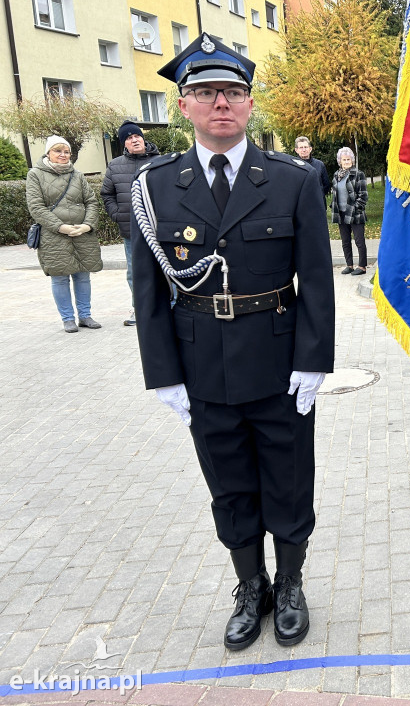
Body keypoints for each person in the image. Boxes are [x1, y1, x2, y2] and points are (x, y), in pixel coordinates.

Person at [131, 33, 336, 650]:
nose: (221, 102)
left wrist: (314, 361)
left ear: (249, 105)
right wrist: (162, 372)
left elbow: (318, 282)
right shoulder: (157, 185)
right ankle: (251, 586)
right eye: (205, 92)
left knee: (289, 479)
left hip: (278, 362)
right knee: (230, 485)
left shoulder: (292, 180)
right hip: (202, 366)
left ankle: (292, 584)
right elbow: (146, 289)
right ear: (185, 105)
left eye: (234, 92)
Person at [26, 136, 103, 333]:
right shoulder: (35, 174)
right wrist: (61, 227)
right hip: (54, 235)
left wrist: (87, 225)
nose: (63, 155)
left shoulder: (77, 175)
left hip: (81, 232)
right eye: (58, 151)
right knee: (60, 276)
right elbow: (36, 207)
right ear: (48, 153)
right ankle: (68, 318)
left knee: (83, 274)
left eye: (66, 151)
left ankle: (85, 316)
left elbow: (91, 202)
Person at [101, 121, 160, 326]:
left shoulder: (160, 161)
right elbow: (107, 194)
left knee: (165, 267)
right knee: (135, 272)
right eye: (128, 138)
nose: (134, 139)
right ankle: (139, 309)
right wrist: (117, 214)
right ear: (123, 144)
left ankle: (171, 304)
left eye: (136, 136)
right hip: (131, 230)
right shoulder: (115, 166)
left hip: (160, 228)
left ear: (143, 138)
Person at [330, 146, 368, 276]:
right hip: (341, 213)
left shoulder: (358, 174)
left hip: (355, 213)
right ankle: (349, 265)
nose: (346, 162)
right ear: (340, 161)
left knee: (359, 241)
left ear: (352, 160)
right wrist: (333, 206)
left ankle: (362, 266)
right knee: (345, 241)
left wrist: (356, 208)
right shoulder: (336, 175)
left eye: (348, 159)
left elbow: (363, 195)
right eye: (344, 159)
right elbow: (335, 193)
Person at [294, 136, 330, 202]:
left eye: (306, 147)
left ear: (310, 149)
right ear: (296, 150)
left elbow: (326, 185)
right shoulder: (293, 166)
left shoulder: (320, 165)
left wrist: (319, 195)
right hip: (301, 205)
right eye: (301, 148)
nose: (304, 150)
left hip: (318, 203)